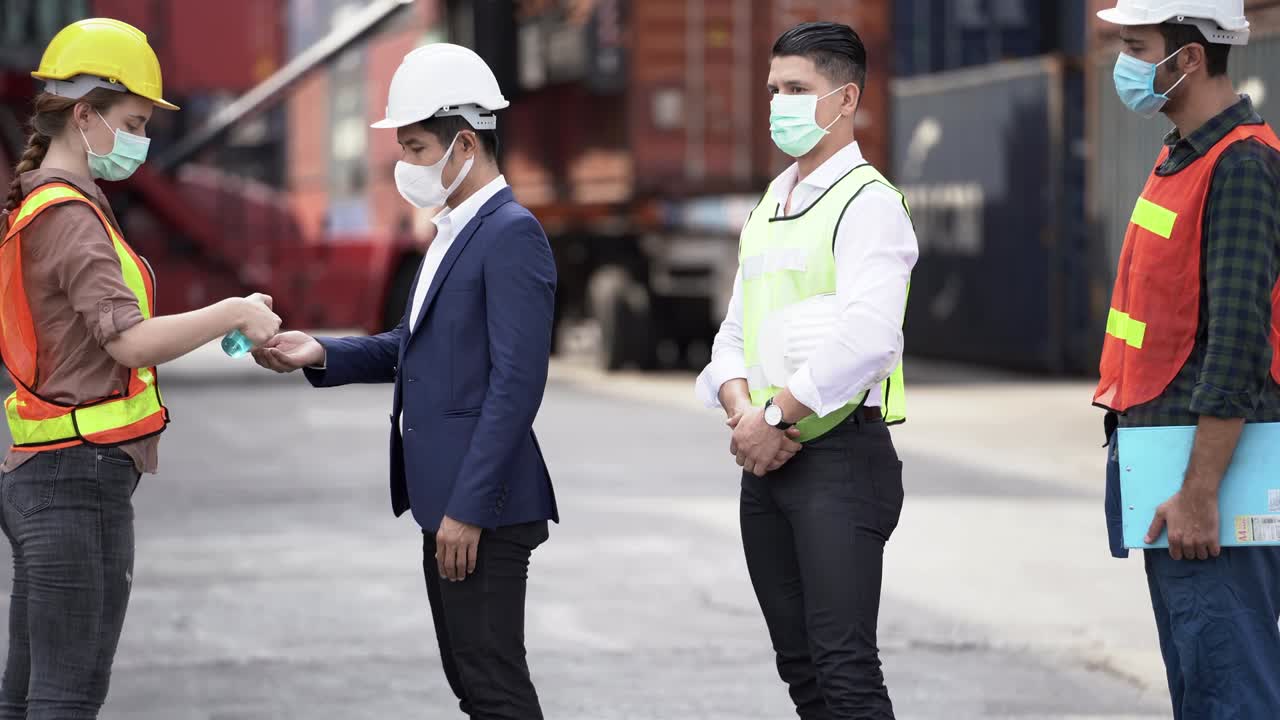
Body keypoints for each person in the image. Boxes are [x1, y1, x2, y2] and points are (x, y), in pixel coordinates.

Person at [251, 43, 557, 720]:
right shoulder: (451, 231)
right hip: (444, 503)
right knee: (474, 687)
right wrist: (320, 352)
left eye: (416, 148)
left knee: (496, 689)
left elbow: (516, 385)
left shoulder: (511, 234)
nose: (406, 165)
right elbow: (411, 346)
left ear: (465, 144)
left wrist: (469, 509)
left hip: (483, 508)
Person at [0, 18, 280, 720]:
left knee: (27, 699)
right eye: (132, 123)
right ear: (83, 115)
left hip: (48, 470)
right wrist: (232, 311)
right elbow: (127, 343)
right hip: (76, 479)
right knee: (65, 700)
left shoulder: (50, 204)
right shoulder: (69, 217)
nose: (141, 140)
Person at [695, 21, 917, 720]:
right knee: (802, 671)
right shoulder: (771, 203)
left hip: (840, 461)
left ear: (845, 98)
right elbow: (733, 334)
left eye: (796, 89)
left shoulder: (868, 204)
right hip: (768, 464)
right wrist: (744, 414)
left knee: (845, 672)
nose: (778, 105)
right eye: (773, 90)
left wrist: (772, 417)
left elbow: (870, 339)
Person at [1094, 2, 1280, 717]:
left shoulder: (1240, 165)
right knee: (1203, 689)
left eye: (1137, 47)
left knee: (1231, 692)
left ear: (1190, 57)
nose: (1124, 64)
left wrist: (1201, 491)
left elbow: (1238, 343)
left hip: (1209, 489)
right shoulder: (1185, 155)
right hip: (1171, 471)